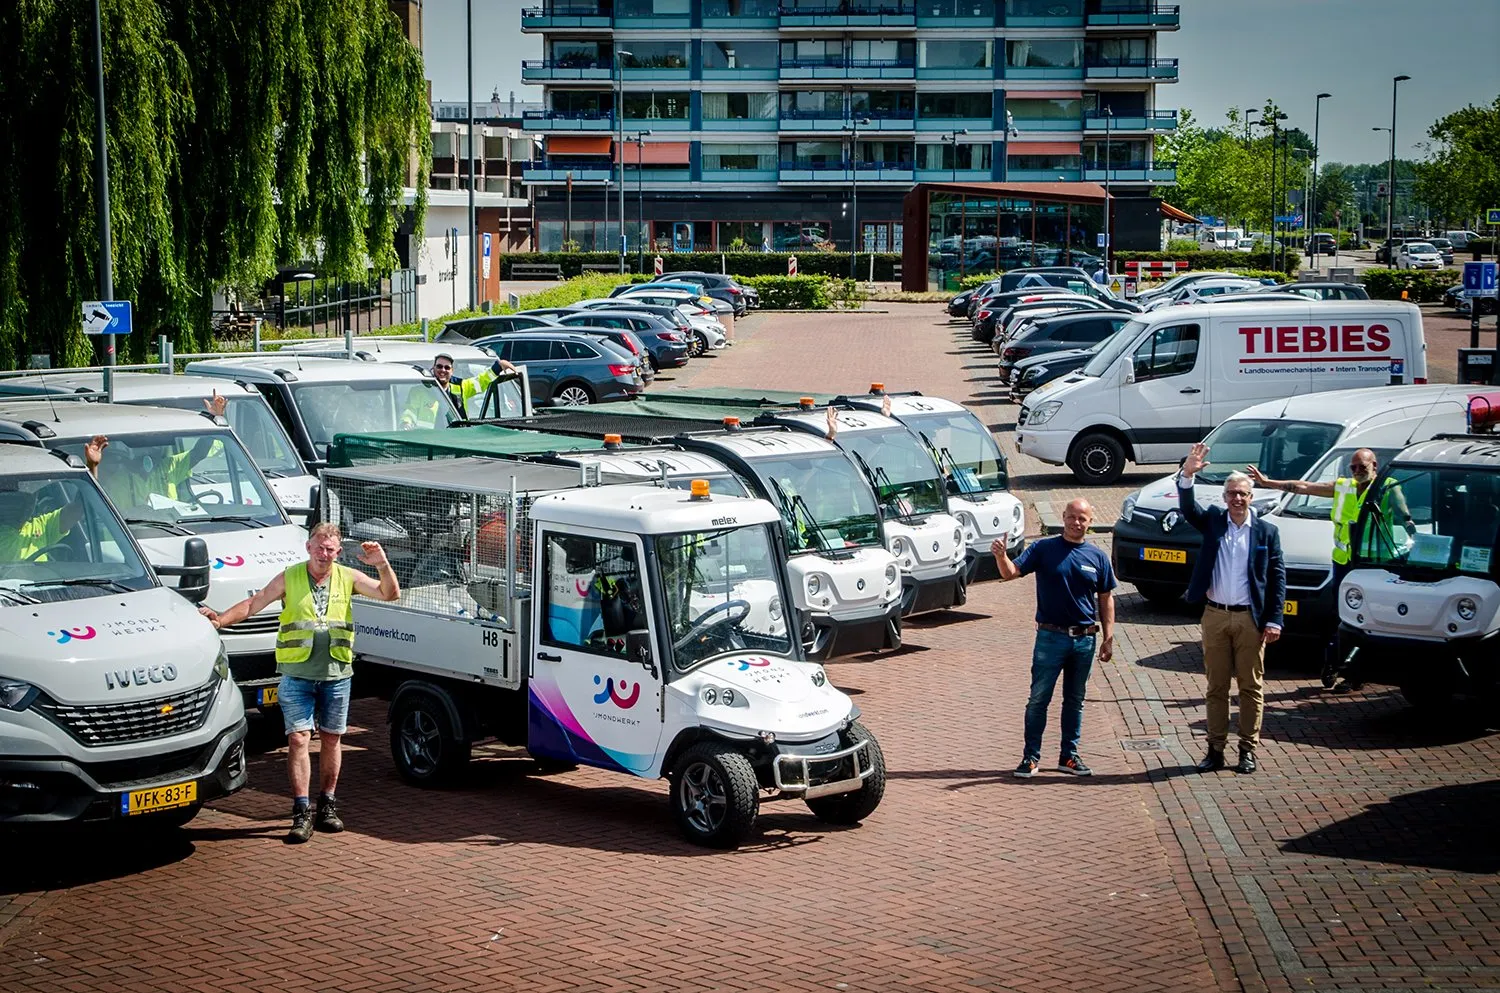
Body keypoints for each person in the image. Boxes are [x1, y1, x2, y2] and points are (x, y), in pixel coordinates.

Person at [200, 523, 400, 843]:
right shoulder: (289, 577)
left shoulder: (348, 576)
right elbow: (254, 603)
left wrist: (382, 564)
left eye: (330, 549)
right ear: (308, 547)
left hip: (336, 674)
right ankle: (301, 810)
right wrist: (220, 619)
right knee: (298, 739)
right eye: (319, 547)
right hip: (296, 673)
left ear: (338, 552)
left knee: (332, 739)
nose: (324, 554)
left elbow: (390, 594)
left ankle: (327, 805)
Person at [1246, 448, 1412, 691]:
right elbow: (1304, 487)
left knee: (1367, 617)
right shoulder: (1343, 486)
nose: (1357, 471)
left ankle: (1356, 673)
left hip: (1372, 564)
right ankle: (1335, 663)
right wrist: (1268, 483)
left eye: (1362, 467)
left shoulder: (1387, 487)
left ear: (1374, 466)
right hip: (1343, 562)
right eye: (1353, 467)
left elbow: (1406, 517)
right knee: (1341, 616)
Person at [1178, 443, 1286, 775]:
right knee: (1216, 687)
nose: (1237, 499)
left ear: (1251, 497)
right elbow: (1188, 508)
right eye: (1231, 494)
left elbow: (1278, 578)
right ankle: (1215, 749)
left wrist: (1274, 619)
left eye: (1242, 493)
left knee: (1251, 687)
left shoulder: (1267, 532)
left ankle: (1247, 750)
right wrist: (1187, 474)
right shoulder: (1213, 521)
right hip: (1215, 615)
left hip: (1250, 619)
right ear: (1224, 497)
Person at [992, 498, 1116, 778]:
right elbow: (1011, 573)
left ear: (1090, 523)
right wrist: (1001, 556)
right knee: (1039, 698)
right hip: (1050, 638)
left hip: (1085, 640)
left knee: (1075, 700)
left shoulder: (1097, 557)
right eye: (1072, 517)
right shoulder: (1044, 549)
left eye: (1082, 519)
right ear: (1063, 517)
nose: (1076, 523)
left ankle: (1068, 756)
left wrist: (1108, 636)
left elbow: (1106, 598)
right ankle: (1030, 757)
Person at [85, 393, 228, 509]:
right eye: (144, 447)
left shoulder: (168, 467)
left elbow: (199, 453)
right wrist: (92, 467)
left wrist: (215, 418)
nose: (149, 453)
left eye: (155, 447)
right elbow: (97, 505)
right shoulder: (119, 481)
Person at [0, 488, 83, 562]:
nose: (27, 507)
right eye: (19, 500)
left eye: (31, 500)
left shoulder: (41, 526)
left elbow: (77, 509)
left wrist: (83, 488)